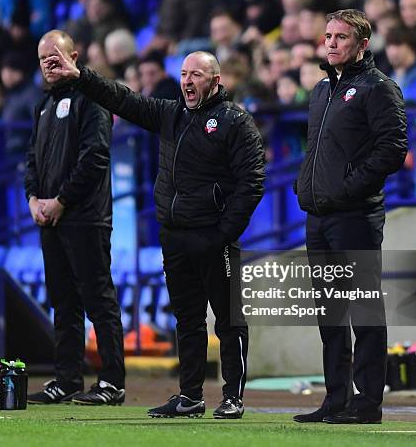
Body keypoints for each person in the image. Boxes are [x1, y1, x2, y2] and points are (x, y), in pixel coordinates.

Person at [46, 40, 265, 419]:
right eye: (182, 74)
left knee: (228, 320)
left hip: (214, 237)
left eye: (195, 74)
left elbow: (253, 182)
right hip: (176, 236)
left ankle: (233, 396)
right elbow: (123, 99)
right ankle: (190, 395)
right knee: (188, 321)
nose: (187, 81)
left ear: (215, 80)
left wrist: (224, 232)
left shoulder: (235, 121)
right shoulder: (170, 114)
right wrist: (82, 77)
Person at [294, 9, 407, 424]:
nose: (332, 43)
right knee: (331, 314)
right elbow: (318, 150)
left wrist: (347, 187)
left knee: (363, 311)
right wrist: (306, 185)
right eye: (328, 36)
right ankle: (335, 399)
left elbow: (393, 148)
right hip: (319, 215)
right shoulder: (322, 89)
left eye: (341, 37)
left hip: (355, 215)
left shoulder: (379, 88)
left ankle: (367, 403)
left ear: (362, 44)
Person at [24, 30, 125, 406]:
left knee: (98, 300)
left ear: (75, 56)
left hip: (85, 218)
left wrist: (61, 201)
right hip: (51, 218)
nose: (50, 62)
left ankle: (112, 381)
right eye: (43, 58)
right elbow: (32, 159)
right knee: (63, 302)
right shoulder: (43, 105)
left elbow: (95, 156)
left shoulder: (92, 98)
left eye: (56, 55)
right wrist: (34, 198)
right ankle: (67, 379)